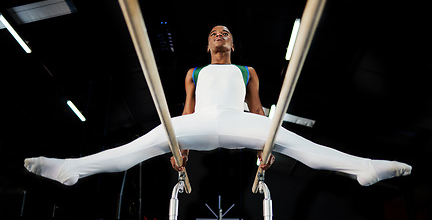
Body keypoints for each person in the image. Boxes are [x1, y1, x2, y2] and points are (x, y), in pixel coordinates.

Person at [24, 25, 411, 187]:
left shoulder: (248, 69)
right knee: (133, 150)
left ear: (232, 44)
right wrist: (181, 148)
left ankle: (365, 169)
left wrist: (266, 145)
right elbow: (188, 111)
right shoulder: (194, 71)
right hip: (199, 122)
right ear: (208, 46)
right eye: (213, 34)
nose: (219, 35)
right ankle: (70, 169)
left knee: (301, 146)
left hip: (243, 122)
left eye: (225, 32)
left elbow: (258, 111)